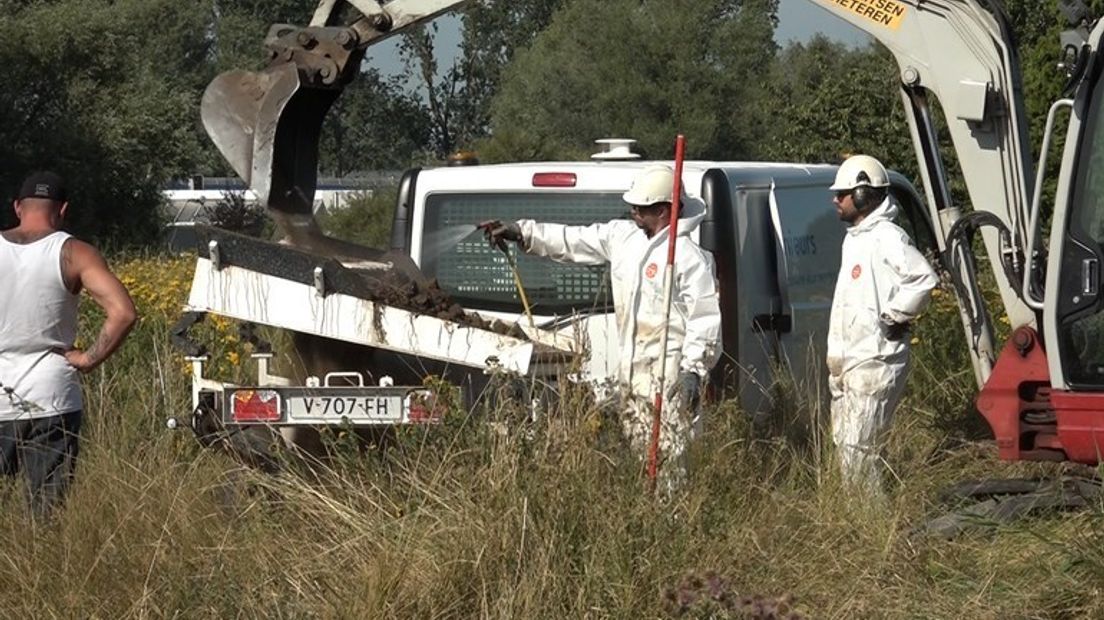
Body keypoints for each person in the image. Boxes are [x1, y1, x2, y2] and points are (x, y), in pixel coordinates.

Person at [480, 165, 721, 484]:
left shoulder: (690, 258)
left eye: (641, 208)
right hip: (632, 377)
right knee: (641, 461)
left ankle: (673, 526)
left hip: (670, 378)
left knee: (670, 464)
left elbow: (704, 318)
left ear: (663, 210)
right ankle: (649, 524)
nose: (633, 212)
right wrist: (522, 233)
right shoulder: (624, 238)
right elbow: (572, 240)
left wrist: (693, 371)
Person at [0, 171, 137, 516]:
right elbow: (123, 313)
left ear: (18, 207)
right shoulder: (74, 252)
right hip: (52, 393)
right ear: (63, 210)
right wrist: (88, 359)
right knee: (44, 514)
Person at [826, 155, 938, 492]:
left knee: (858, 450)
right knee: (848, 449)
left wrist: (895, 316)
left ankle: (871, 524)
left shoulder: (887, 236)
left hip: (874, 360)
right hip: (850, 362)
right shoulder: (856, 237)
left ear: (862, 195)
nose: (835, 200)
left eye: (842, 193)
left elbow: (922, 278)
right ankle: (861, 523)